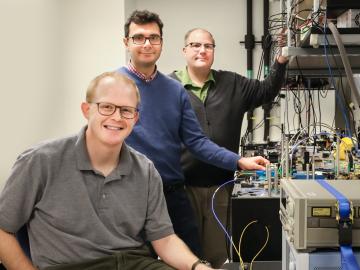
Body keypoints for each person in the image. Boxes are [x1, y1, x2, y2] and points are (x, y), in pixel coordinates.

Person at [0, 72, 217, 270]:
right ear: (87, 110)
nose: (117, 117)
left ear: (136, 118)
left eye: (126, 110)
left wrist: (198, 267)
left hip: (135, 264)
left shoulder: (146, 170)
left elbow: (165, 240)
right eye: (106, 107)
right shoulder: (40, 161)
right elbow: (2, 229)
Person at [116, 9, 270, 259]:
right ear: (126, 43)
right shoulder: (114, 85)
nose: (147, 44)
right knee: (138, 260)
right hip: (131, 194)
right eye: (139, 37)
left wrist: (238, 161)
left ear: (162, 43)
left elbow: (197, 142)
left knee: (192, 258)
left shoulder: (174, 89)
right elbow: (98, 138)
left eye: (153, 38)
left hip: (173, 193)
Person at [169, 28, 288, 267]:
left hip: (220, 188)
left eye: (208, 46)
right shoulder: (168, 87)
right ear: (184, 51)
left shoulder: (233, 83)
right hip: (181, 190)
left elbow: (267, 90)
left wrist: (281, 59)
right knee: (182, 255)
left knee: (216, 255)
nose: (202, 50)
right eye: (195, 45)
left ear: (213, 51)